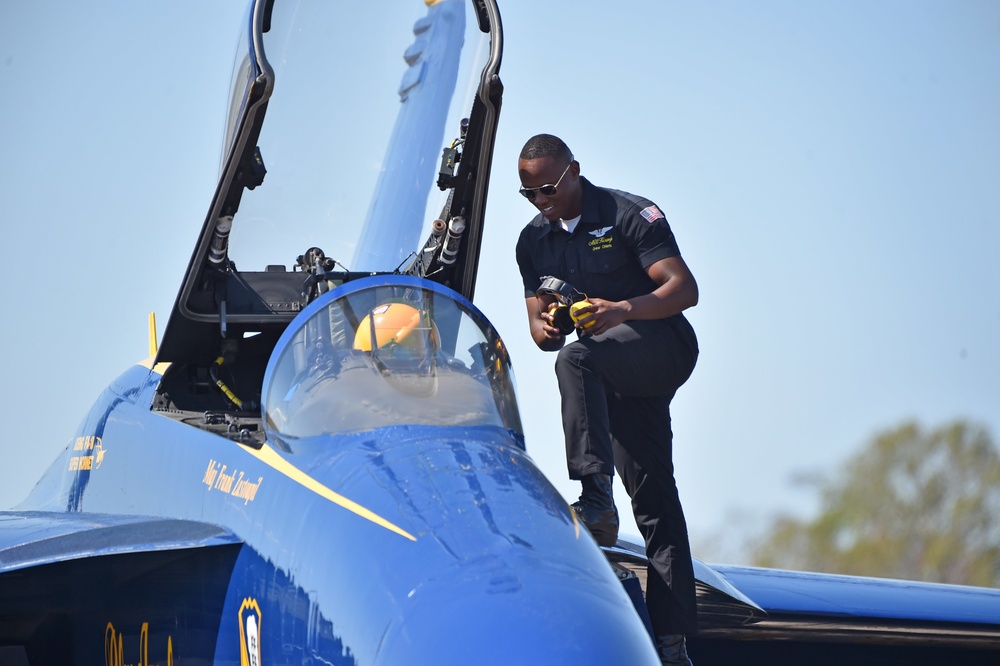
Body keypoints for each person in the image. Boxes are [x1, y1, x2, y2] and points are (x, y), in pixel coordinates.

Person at [514, 134, 700, 665]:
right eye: (529, 194)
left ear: (574, 170)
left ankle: (595, 498)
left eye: (549, 188)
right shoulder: (532, 242)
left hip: (660, 345)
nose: (542, 201)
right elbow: (538, 327)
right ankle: (672, 646)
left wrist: (622, 309)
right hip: (608, 373)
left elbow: (683, 290)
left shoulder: (627, 213)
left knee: (574, 360)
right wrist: (549, 323)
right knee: (658, 505)